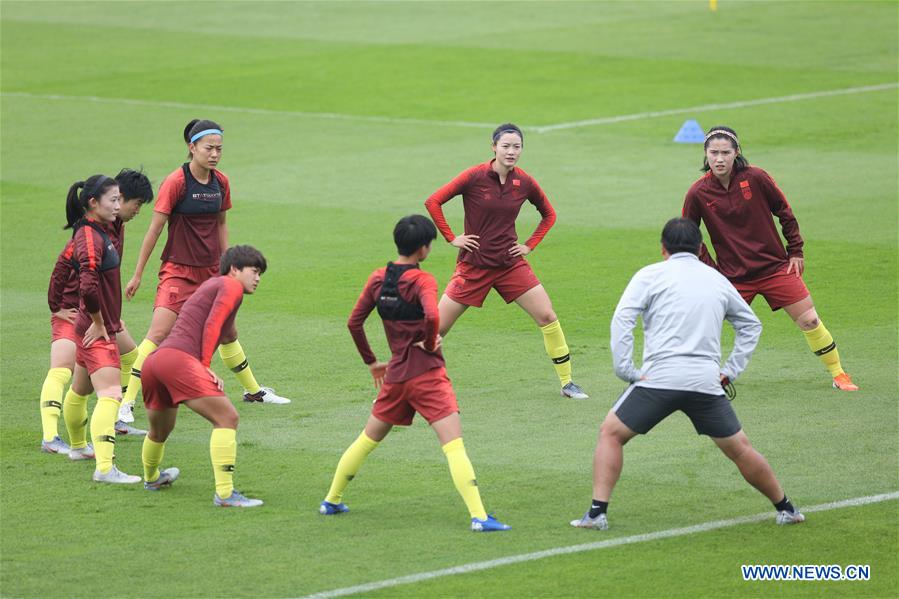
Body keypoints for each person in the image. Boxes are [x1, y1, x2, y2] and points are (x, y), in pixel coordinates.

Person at [571, 218, 805, 530]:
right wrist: (730, 371)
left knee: (611, 434)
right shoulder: (717, 280)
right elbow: (751, 325)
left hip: (659, 381)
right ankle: (786, 508)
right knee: (740, 449)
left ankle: (597, 513)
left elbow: (623, 319)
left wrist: (626, 369)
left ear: (663, 248)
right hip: (705, 383)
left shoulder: (650, 274)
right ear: (699, 248)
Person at [319, 215, 511, 532]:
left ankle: (332, 499)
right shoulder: (423, 281)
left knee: (367, 440)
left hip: (394, 376)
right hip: (428, 375)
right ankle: (479, 516)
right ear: (424, 249)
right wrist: (431, 340)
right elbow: (433, 314)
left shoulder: (378, 278)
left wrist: (372, 362)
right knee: (453, 445)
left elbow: (354, 323)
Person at [122, 119, 290, 411]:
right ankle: (126, 403)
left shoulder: (220, 182)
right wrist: (137, 274)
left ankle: (254, 392)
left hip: (211, 272)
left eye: (219, 149)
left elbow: (221, 224)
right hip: (178, 271)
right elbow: (155, 230)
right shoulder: (176, 182)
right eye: (209, 148)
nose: (214, 154)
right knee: (159, 333)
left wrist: (227, 270)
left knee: (228, 332)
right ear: (192, 147)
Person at [682, 126, 857, 391]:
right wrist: (710, 270)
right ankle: (694, 380)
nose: (719, 159)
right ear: (705, 154)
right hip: (732, 277)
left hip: (774, 268)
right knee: (704, 325)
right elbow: (687, 233)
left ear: (736, 153)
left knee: (809, 319)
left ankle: (839, 374)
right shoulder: (698, 192)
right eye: (714, 153)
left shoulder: (756, 178)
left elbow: (784, 211)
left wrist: (795, 250)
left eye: (725, 153)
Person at [424, 123, 588, 400]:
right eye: (506, 146)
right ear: (494, 148)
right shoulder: (474, 177)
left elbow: (549, 214)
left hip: (510, 264)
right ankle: (397, 386)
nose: (511, 151)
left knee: (547, 316)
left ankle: (567, 382)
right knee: (436, 328)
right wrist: (452, 238)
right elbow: (433, 201)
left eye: (517, 146)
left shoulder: (524, 182)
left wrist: (529, 245)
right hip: (474, 266)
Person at [138, 245, 269, 506]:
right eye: (254, 271)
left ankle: (152, 477)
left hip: (156, 363)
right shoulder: (230, 286)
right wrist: (203, 364)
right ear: (234, 269)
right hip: (179, 361)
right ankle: (225, 494)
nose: (258, 278)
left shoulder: (214, 286)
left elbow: (223, 329)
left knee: (160, 430)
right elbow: (213, 323)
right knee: (227, 418)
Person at [41, 169, 154, 454]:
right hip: (80, 311)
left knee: (129, 355)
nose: (136, 210)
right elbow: (67, 268)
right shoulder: (91, 230)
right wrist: (58, 307)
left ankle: (113, 421)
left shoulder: (114, 225)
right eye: (135, 204)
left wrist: (109, 309)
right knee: (63, 371)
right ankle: (51, 437)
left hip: (101, 313)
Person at [61, 174, 141, 483]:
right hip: (99, 329)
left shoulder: (98, 230)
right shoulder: (90, 237)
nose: (118, 205)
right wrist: (98, 322)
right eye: (113, 200)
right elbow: (88, 285)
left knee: (80, 389)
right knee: (110, 395)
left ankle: (79, 447)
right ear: (93, 203)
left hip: (92, 325)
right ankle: (105, 468)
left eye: (121, 199)